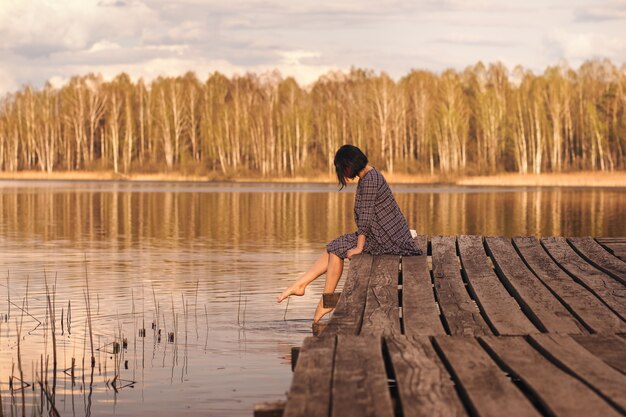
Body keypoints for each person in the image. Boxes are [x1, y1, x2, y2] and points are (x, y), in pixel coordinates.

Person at [276, 144, 421, 322]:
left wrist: (359, 248)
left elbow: (366, 219)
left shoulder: (369, 181)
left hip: (389, 240)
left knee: (337, 250)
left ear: (348, 165)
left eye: (341, 169)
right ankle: (302, 286)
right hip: (386, 234)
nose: (343, 175)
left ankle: (324, 301)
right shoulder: (370, 175)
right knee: (335, 246)